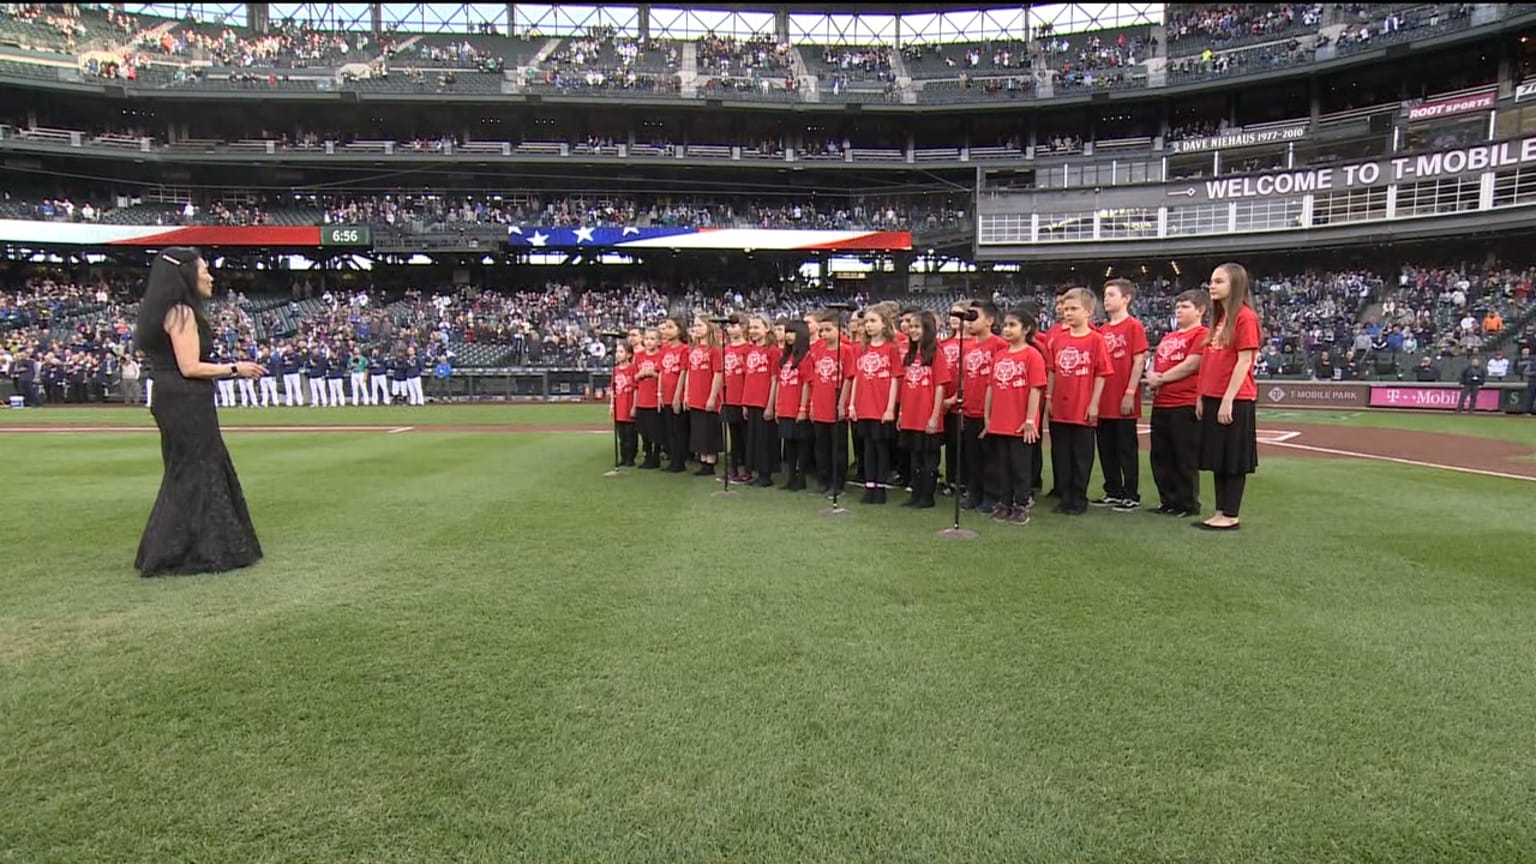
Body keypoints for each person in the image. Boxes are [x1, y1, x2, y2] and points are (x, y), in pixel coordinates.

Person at [132, 247, 265, 577]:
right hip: (185, 399)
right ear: (187, 275)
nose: (210, 275)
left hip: (170, 396)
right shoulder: (182, 313)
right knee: (196, 468)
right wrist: (236, 368)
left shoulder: (164, 311)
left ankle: (182, 546)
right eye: (204, 269)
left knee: (186, 470)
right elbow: (190, 366)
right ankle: (187, 550)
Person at [1195, 263, 1262, 531]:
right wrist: (1201, 395)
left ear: (1234, 285)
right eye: (1211, 280)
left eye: (1219, 281)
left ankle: (1230, 513)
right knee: (1219, 457)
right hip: (1213, 396)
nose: (1212, 285)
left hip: (1235, 399)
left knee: (1233, 458)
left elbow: (1244, 361)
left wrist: (1228, 399)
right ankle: (1221, 510)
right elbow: (1209, 362)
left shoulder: (1245, 317)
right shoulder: (1220, 319)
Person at [1047, 287, 1112, 516]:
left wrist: (1094, 403)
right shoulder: (1058, 340)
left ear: (1088, 311)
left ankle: (1079, 497)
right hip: (1060, 407)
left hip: (1082, 406)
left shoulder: (1096, 340)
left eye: (1073, 309)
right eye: (1065, 309)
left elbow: (1101, 373)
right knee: (1061, 454)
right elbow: (1052, 371)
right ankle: (1065, 497)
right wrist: (1049, 397)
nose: (1068, 313)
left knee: (1081, 455)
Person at [1145, 290, 1208, 517]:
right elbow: (1154, 361)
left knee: (1184, 457)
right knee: (1161, 455)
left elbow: (1192, 364)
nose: (1179, 310)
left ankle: (1187, 503)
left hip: (1185, 403)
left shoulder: (1201, 334)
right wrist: (1152, 375)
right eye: (1178, 306)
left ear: (1200, 310)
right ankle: (1168, 500)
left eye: (1185, 307)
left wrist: (1160, 378)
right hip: (1161, 403)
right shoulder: (1168, 337)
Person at [982, 304, 1047, 525]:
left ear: (1026, 329)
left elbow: (1035, 389)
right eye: (1005, 325)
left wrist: (1030, 420)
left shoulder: (1032, 355)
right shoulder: (999, 355)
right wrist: (988, 418)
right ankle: (1005, 503)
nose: (1007, 329)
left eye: (1012, 325)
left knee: (1020, 466)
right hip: (1000, 420)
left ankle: (1021, 504)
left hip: (1020, 422)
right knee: (1004, 466)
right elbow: (991, 387)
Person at [1092, 278, 1148, 512]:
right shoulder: (1101, 330)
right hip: (1103, 399)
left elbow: (1139, 361)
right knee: (1106, 448)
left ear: (1126, 298)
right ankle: (1113, 490)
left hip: (1123, 396)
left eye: (1112, 294)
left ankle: (1131, 494)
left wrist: (1130, 392)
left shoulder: (1133, 326)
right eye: (1105, 294)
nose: (1106, 298)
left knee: (1126, 448)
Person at [898, 310, 952, 509]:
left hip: (927, 414)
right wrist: (902, 412)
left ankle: (927, 497)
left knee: (928, 458)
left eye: (916, 327)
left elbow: (940, 386)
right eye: (910, 326)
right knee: (914, 457)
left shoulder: (936, 353)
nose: (912, 330)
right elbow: (904, 386)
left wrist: (934, 416)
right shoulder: (910, 355)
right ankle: (916, 494)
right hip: (911, 415)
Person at [850, 307, 902, 504]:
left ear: (884, 324)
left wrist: (890, 408)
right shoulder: (861, 349)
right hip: (864, 405)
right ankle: (869, 485)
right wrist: (853, 405)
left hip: (880, 406)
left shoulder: (891, 349)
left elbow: (895, 379)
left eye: (873, 321)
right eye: (867, 322)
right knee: (868, 447)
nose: (869, 326)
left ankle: (880, 487)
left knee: (881, 447)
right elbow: (856, 377)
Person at [771, 318, 812, 491]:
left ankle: (801, 478)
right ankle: (791, 478)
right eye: (787, 332)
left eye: (792, 332)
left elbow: (807, 384)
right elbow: (780, 382)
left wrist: (803, 408)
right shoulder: (786, 358)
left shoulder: (806, 357)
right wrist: (777, 406)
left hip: (797, 408)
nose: (788, 336)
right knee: (789, 445)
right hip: (785, 407)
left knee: (801, 444)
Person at [684, 313, 725, 476]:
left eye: (700, 325)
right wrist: (686, 394)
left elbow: (718, 374)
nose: (696, 328)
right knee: (698, 430)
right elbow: (688, 372)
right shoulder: (693, 349)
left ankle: (710, 462)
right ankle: (702, 460)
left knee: (709, 429)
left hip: (707, 396)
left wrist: (713, 397)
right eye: (695, 325)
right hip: (694, 395)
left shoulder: (715, 350)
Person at [742, 315, 780, 488]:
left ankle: (766, 474)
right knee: (754, 440)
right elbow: (748, 377)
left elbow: (774, 379)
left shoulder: (773, 351)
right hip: (750, 400)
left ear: (767, 328)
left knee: (765, 440)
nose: (753, 331)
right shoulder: (750, 350)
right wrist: (744, 402)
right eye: (751, 328)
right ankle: (755, 471)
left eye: (757, 327)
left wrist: (770, 404)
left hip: (764, 400)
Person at [721, 314, 751, 482]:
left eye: (735, 325)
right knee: (733, 435)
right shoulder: (726, 348)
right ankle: (732, 469)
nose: (731, 329)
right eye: (729, 326)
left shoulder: (747, 349)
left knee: (744, 436)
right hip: (728, 397)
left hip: (741, 398)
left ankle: (745, 469)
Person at [632, 328, 663, 469]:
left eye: (652, 339)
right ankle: (647, 455)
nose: (649, 341)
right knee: (643, 430)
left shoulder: (661, 355)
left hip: (654, 398)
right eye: (647, 338)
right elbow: (634, 377)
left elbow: (663, 376)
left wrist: (652, 373)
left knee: (655, 430)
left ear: (658, 341)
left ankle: (656, 457)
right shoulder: (639, 356)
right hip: (642, 399)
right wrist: (640, 375)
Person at [610, 342, 638, 467]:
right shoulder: (615, 370)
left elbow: (636, 388)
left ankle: (630, 457)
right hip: (619, 406)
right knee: (621, 435)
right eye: (617, 352)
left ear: (629, 354)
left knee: (630, 434)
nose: (618, 354)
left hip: (629, 404)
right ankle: (623, 456)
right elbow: (613, 389)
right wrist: (611, 405)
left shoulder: (632, 369)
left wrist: (634, 406)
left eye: (621, 352)